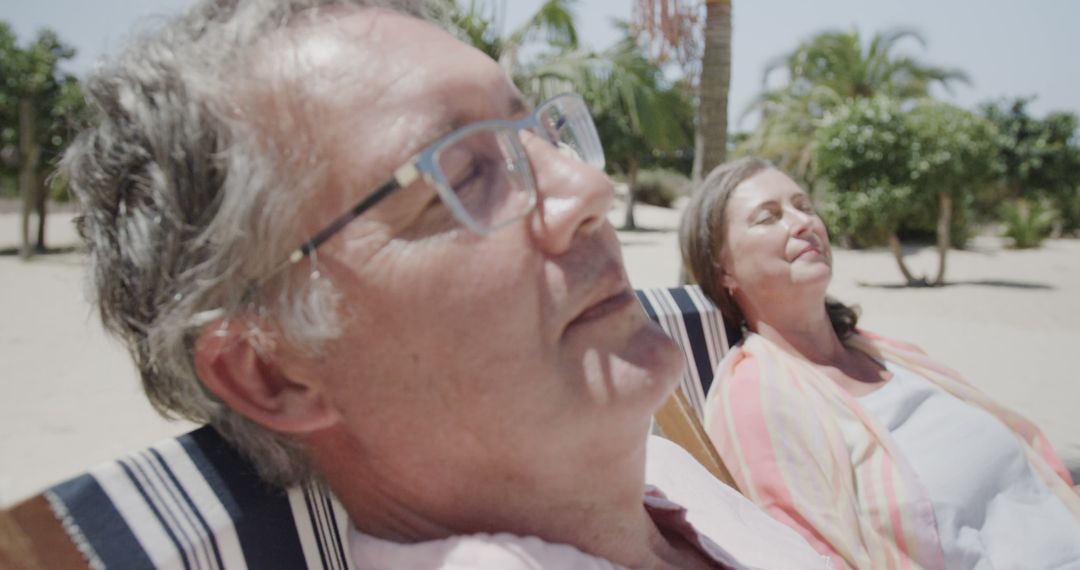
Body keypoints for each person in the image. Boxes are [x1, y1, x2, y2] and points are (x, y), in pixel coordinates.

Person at [60, 1, 830, 568]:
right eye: (461, 172)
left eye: (537, 136)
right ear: (273, 369)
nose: (587, 189)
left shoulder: (662, 485)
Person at [680, 156, 1080, 569]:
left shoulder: (892, 355)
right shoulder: (755, 394)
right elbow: (803, 553)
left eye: (805, 206)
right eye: (769, 217)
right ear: (721, 268)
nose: (802, 223)